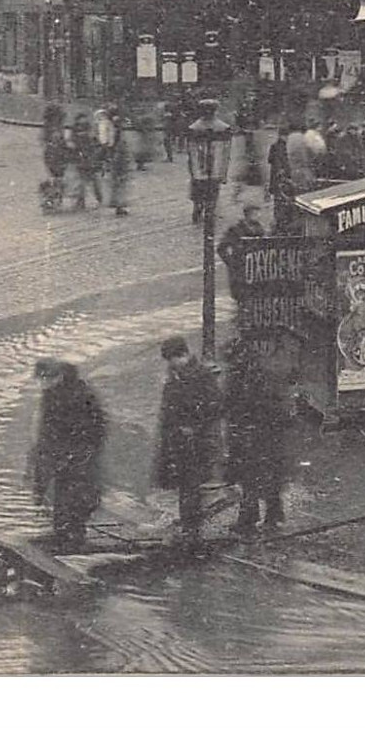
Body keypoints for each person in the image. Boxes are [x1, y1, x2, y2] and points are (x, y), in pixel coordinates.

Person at [29, 358, 106, 552]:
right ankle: (63, 533)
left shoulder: (81, 394)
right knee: (61, 497)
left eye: (45, 379)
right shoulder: (51, 394)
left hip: (79, 457)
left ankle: (74, 538)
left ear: (58, 377)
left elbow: (96, 428)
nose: (42, 384)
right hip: (61, 457)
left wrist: (78, 452)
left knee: (76, 497)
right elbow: (46, 429)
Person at [153, 336, 222, 545]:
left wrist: (194, 426)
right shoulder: (176, 375)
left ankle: (191, 529)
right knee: (185, 483)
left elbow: (215, 406)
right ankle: (189, 525)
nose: (170, 364)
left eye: (172, 359)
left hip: (196, 441)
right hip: (178, 440)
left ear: (181, 356)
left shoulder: (201, 376)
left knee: (191, 483)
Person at [224, 335, 294, 535]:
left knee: (250, 478)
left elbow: (236, 406)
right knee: (268, 476)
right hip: (265, 435)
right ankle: (273, 515)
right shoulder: (262, 373)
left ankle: (249, 519)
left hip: (253, 436)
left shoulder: (243, 377)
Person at [217, 204, 266, 302]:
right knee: (241, 294)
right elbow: (222, 248)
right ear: (248, 215)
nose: (259, 216)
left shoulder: (260, 229)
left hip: (255, 268)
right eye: (256, 214)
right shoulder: (236, 229)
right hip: (240, 267)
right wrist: (231, 262)